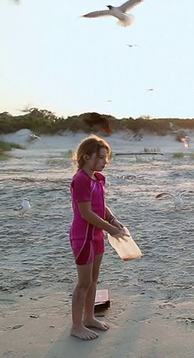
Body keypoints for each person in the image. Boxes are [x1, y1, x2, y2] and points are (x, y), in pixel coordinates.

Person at [69, 135, 123, 340]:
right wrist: (111, 229)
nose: (104, 161)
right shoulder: (80, 180)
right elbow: (87, 213)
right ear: (86, 157)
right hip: (82, 236)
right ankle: (76, 325)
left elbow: (101, 206)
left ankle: (89, 317)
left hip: (98, 235)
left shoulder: (99, 179)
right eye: (100, 157)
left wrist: (113, 220)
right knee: (83, 282)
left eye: (105, 157)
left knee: (93, 279)